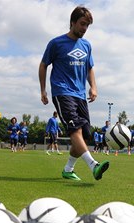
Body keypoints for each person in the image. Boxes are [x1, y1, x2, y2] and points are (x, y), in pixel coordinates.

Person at [38, 5, 109, 181]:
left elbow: (89, 68)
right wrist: (43, 90)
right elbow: (43, 65)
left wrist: (93, 87)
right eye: (82, 24)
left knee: (85, 135)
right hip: (62, 91)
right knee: (74, 129)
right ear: (72, 22)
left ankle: (68, 169)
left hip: (80, 94)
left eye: (87, 25)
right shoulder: (56, 43)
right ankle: (93, 165)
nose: (84, 28)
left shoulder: (86, 45)